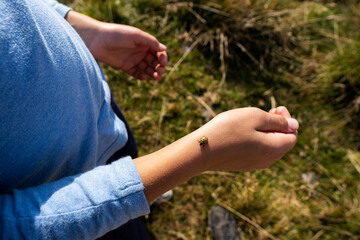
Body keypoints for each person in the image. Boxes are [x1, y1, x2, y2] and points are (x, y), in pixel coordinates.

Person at [0, 0, 299, 239]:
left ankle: (147, 182)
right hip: (71, 205)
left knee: (126, 150)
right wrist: (204, 153)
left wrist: (75, 27)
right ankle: (141, 193)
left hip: (99, 118)